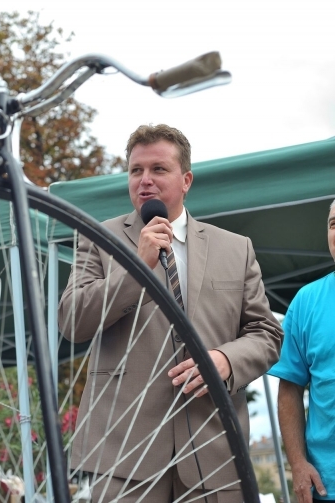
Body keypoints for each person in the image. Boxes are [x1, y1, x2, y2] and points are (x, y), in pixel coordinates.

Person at [59, 124, 282, 502]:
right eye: (135, 171)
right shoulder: (97, 237)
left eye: (158, 169)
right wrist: (137, 266)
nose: (145, 180)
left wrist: (225, 361)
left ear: (186, 179)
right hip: (124, 453)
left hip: (215, 451)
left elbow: (266, 333)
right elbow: (72, 320)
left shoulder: (236, 248)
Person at [268, 200, 335, 503]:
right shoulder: (306, 301)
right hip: (326, 484)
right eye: (333, 225)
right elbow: (290, 388)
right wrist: (297, 463)